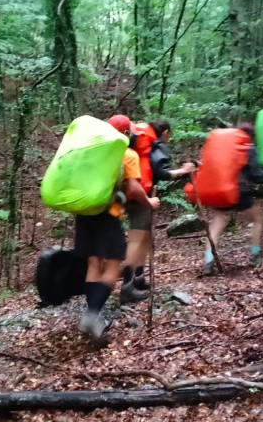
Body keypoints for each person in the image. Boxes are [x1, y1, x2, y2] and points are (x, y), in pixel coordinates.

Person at [76, 115, 160, 344]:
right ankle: (92, 315)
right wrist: (149, 203)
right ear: (125, 134)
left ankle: (91, 314)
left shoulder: (92, 150)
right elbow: (133, 188)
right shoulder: (127, 153)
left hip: (84, 212)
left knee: (94, 264)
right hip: (108, 216)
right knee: (113, 265)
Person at [120, 119, 196, 300]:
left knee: (142, 240)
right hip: (141, 195)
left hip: (124, 193)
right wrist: (183, 171)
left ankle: (138, 279)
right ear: (165, 132)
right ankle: (128, 287)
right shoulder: (156, 144)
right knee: (137, 241)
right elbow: (161, 172)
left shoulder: (138, 144)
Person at [203, 123, 263, 275]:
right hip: (238, 190)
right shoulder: (247, 146)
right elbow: (255, 175)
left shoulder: (222, 147)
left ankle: (208, 261)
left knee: (217, 223)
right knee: (258, 218)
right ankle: (255, 256)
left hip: (217, 190)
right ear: (249, 134)